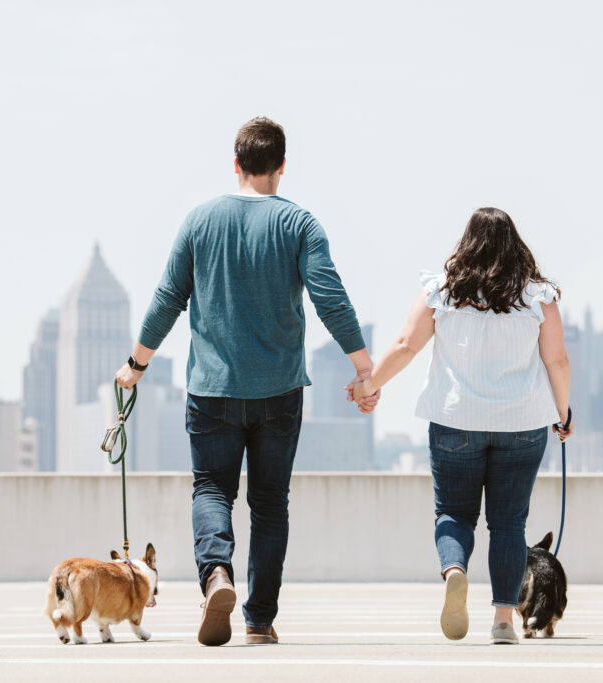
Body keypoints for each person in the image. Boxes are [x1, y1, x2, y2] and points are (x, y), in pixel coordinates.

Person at [115, 116, 379, 646]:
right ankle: (259, 621)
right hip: (279, 390)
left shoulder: (199, 221)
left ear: (236, 164)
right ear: (282, 167)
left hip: (211, 389)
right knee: (270, 502)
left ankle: (216, 574)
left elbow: (168, 297)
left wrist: (137, 364)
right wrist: (363, 367)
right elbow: (329, 297)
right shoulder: (300, 224)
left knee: (212, 488)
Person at [351, 207, 573, 645]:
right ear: (516, 246)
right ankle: (505, 620)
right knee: (509, 524)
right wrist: (563, 416)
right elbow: (557, 361)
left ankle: (454, 571)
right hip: (521, 424)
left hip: (455, 421)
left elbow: (405, 345)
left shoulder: (442, 291)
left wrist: (367, 386)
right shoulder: (537, 295)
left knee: (454, 514)